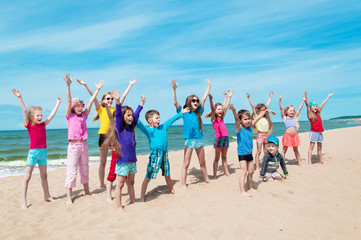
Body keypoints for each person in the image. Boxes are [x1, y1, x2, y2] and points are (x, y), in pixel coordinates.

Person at [12, 89, 61, 209]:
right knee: (27, 177)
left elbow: (52, 116)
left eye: (41, 115)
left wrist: (57, 103)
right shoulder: (29, 125)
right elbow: (24, 110)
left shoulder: (43, 124)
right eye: (38, 115)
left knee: (44, 176)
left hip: (43, 152)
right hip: (33, 153)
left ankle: (47, 196)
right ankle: (23, 202)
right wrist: (19, 97)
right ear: (32, 117)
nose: (40, 117)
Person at [63, 74, 104, 205]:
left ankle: (87, 191)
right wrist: (68, 86)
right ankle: (69, 196)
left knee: (85, 169)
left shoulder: (84, 116)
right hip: (74, 146)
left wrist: (97, 90)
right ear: (73, 107)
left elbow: (91, 101)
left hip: (84, 146)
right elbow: (69, 101)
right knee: (72, 170)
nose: (81, 107)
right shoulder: (69, 116)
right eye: (78, 106)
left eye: (82, 105)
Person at [102, 89, 144, 211]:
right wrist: (118, 101)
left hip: (132, 161)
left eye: (131, 115)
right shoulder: (119, 128)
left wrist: (141, 104)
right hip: (122, 161)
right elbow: (119, 115)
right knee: (120, 184)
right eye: (128, 115)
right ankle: (119, 206)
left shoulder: (132, 128)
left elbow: (136, 115)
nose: (131, 117)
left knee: (131, 183)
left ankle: (133, 201)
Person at [137, 104, 190, 201]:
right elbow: (139, 124)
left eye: (159, 118)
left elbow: (171, 120)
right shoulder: (148, 130)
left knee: (167, 174)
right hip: (155, 155)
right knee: (148, 176)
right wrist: (135, 114)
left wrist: (180, 113)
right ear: (150, 120)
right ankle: (142, 197)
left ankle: (172, 189)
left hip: (164, 154)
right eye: (157, 118)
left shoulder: (163, 127)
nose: (159, 119)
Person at [171, 79, 211, 188]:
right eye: (194, 101)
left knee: (202, 162)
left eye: (197, 101)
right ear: (189, 102)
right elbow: (175, 102)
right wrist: (174, 89)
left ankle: (206, 179)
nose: (196, 102)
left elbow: (204, 99)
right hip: (189, 141)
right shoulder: (184, 111)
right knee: (186, 163)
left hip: (199, 140)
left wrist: (208, 87)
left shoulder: (199, 112)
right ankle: (183, 183)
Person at [229, 103, 271, 197]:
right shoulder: (239, 128)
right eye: (245, 119)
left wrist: (266, 111)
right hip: (242, 154)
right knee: (244, 172)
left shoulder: (250, 126)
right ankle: (242, 191)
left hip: (249, 153)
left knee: (251, 171)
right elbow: (236, 119)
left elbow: (258, 117)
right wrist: (234, 111)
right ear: (240, 121)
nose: (248, 121)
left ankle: (249, 186)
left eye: (249, 119)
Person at [204, 90, 234, 179]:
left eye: (221, 109)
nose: (221, 110)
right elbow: (213, 109)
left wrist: (228, 97)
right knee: (217, 158)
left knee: (224, 157)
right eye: (219, 109)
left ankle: (227, 172)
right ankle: (215, 174)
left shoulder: (222, 117)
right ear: (215, 110)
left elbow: (225, 107)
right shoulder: (213, 118)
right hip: (218, 139)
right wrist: (210, 100)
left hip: (225, 138)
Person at [247, 92, 276, 171]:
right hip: (260, 135)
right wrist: (249, 98)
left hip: (266, 135)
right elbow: (253, 107)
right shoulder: (257, 116)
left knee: (266, 151)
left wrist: (270, 97)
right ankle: (257, 167)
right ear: (259, 111)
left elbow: (267, 106)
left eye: (264, 110)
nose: (264, 111)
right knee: (259, 151)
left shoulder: (266, 118)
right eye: (262, 110)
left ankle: (265, 165)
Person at [304, 90, 334, 164]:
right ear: (311, 108)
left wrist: (328, 96)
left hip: (320, 132)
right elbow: (307, 105)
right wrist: (306, 97)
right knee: (311, 146)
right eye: (314, 106)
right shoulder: (310, 115)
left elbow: (323, 104)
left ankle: (321, 161)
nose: (315, 107)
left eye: (316, 106)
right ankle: (309, 161)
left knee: (320, 147)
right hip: (314, 132)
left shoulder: (318, 113)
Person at [279, 94, 305, 165]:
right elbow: (281, 108)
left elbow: (299, 109)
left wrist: (303, 101)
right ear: (286, 111)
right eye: (290, 110)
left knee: (296, 149)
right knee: (284, 149)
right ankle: (283, 161)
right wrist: (280, 100)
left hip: (295, 135)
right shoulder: (285, 118)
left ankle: (299, 162)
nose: (292, 112)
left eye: (293, 110)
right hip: (287, 135)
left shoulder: (294, 118)